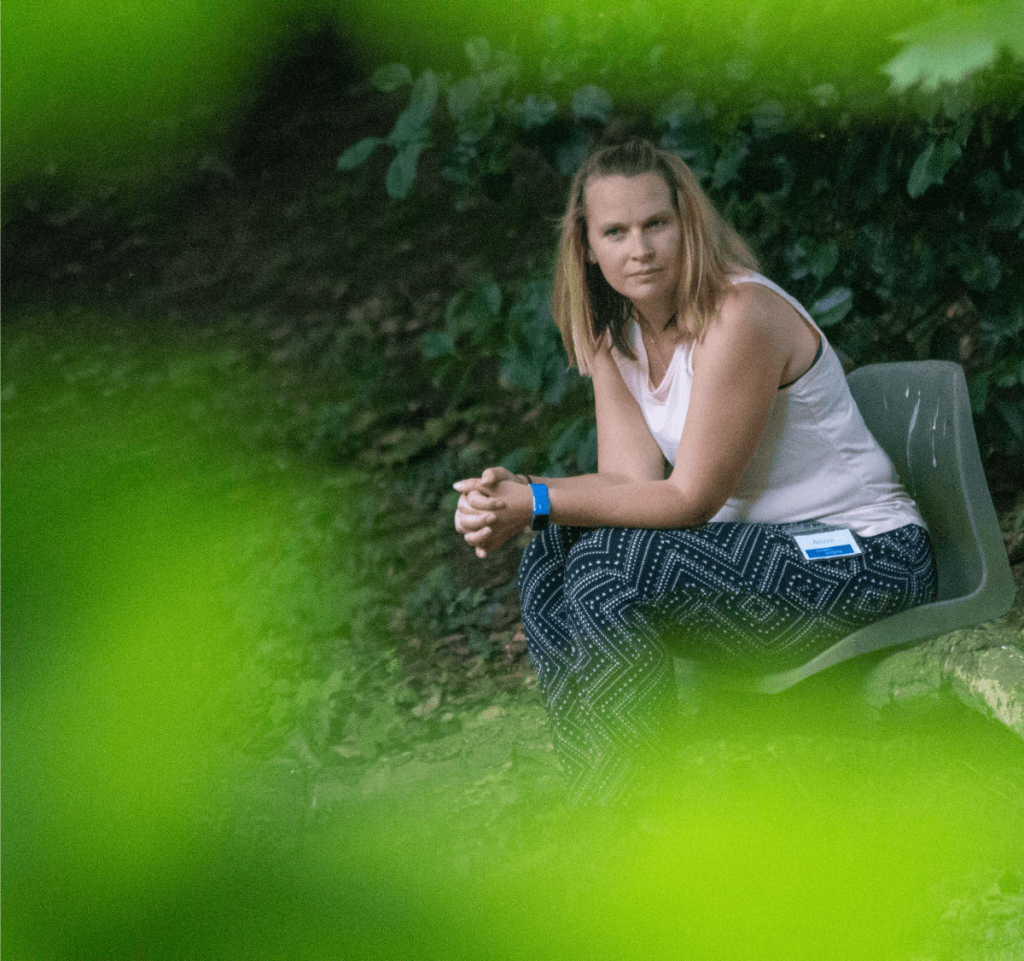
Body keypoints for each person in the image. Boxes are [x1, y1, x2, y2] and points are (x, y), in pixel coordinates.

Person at [453, 139, 936, 805]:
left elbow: (689, 497)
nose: (639, 248)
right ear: (588, 246)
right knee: (554, 549)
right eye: (615, 232)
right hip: (758, 563)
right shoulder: (615, 338)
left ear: (687, 222)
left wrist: (537, 497)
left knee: (609, 562)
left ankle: (642, 814)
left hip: (867, 555)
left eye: (656, 223)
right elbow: (626, 485)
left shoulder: (740, 314)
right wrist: (511, 497)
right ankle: (599, 796)